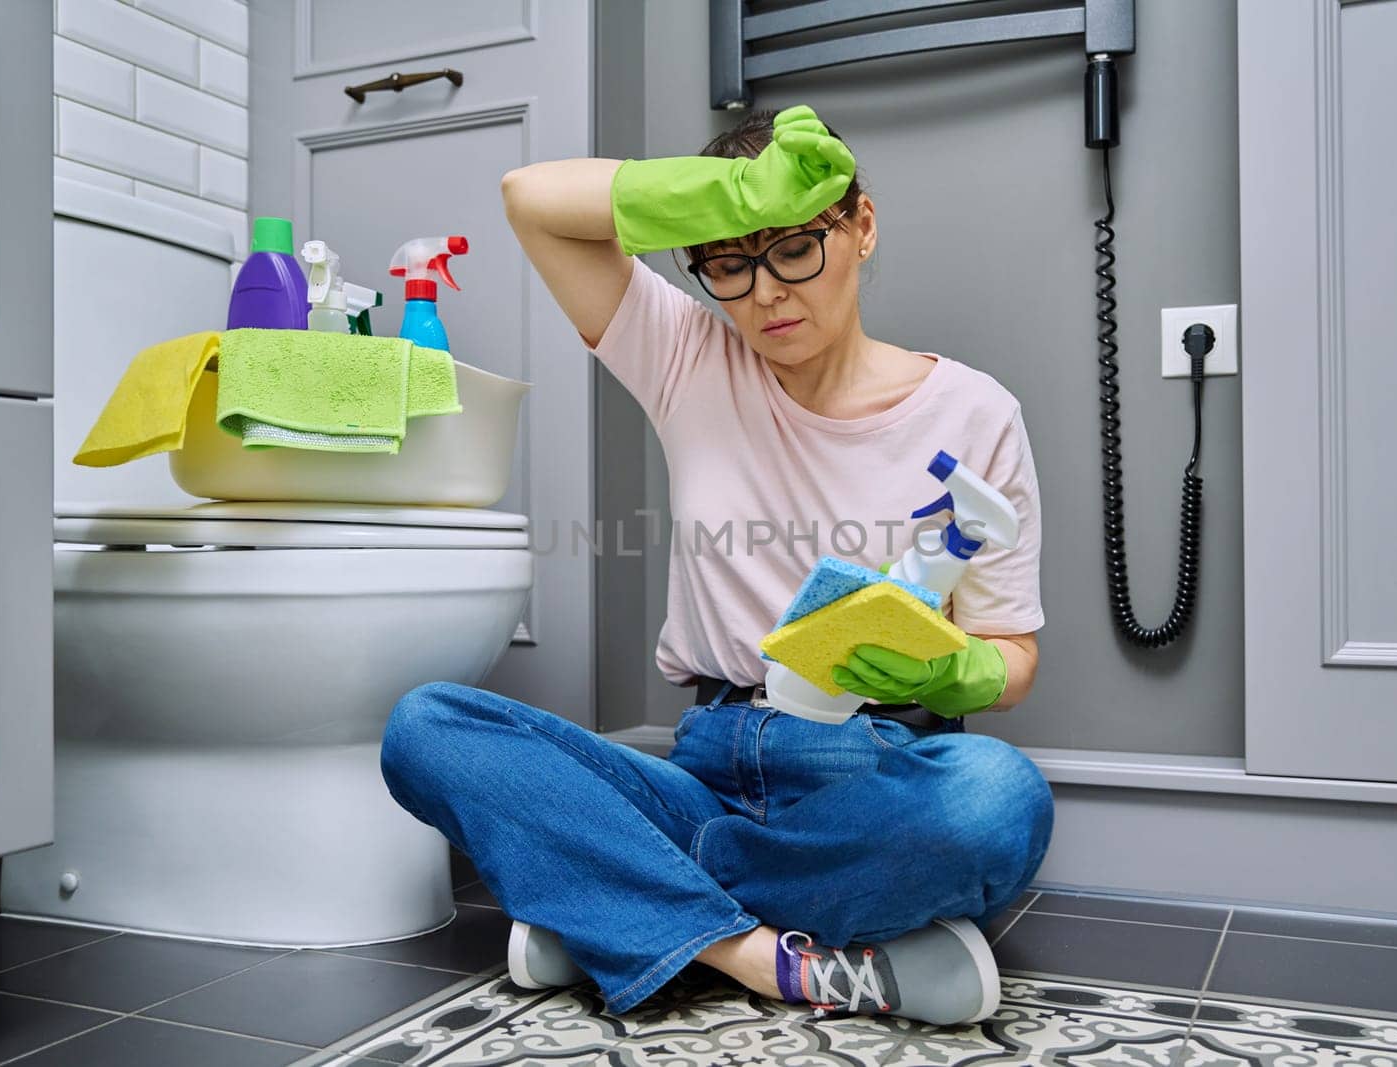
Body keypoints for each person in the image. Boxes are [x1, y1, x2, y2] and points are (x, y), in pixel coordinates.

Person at [379, 105, 1053, 1026]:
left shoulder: (977, 413)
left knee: (997, 800)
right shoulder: (691, 354)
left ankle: (620, 908)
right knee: (426, 725)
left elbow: (1011, 653)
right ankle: (760, 956)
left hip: (868, 771)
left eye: (792, 248)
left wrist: (955, 666)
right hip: (705, 764)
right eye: (729, 262)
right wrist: (733, 198)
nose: (766, 292)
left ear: (860, 225)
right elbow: (530, 199)